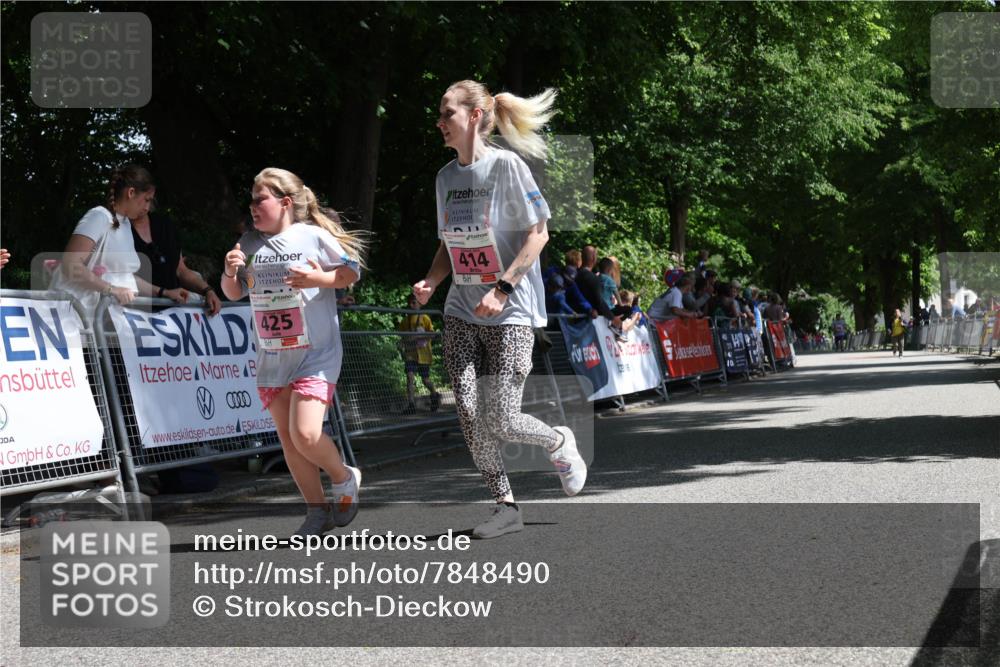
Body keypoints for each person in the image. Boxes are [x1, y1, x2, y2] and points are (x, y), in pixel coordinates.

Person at [413, 79, 587, 539]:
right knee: (469, 414)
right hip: (460, 310)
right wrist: (432, 280)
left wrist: (503, 288)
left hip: (510, 311)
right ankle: (505, 505)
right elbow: (448, 243)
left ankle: (557, 441)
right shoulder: (445, 178)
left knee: (502, 418)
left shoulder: (507, 166)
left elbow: (539, 234)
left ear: (474, 115)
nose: (439, 122)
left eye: (446, 113)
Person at [221, 167, 364, 537]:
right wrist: (228, 271)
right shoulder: (248, 244)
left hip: (316, 352)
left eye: (260, 200)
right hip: (273, 357)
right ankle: (317, 512)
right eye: (251, 200)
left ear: (285, 203)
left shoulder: (312, 236)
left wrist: (321, 279)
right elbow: (234, 294)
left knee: (306, 433)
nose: (253, 207)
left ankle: (344, 477)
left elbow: (352, 271)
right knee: (289, 442)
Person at [53, 164, 170, 320]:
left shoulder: (126, 224)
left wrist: (164, 292)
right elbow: (70, 264)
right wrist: (111, 289)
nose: (148, 207)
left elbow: (124, 277)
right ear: (131, 193)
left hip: (102, 322)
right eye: (146, 200)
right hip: (73, 318)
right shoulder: (99, 216)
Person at [131, 207, 222, 315]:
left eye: (148, 199)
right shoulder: (116, 230)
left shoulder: (165, 225)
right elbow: (124, 278)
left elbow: (181, 270)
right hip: (134, 315)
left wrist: (207, 290)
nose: (145, 205)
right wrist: (164, 293)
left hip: (172, 316)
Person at [398, 294, 442, 414]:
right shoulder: (404, 321)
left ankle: (434, 395)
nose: (411, 305)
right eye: (410, 303)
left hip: (423, 355)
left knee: (425, 379)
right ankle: (411, 404)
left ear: (420, 304)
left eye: (414, 303)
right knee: (409, 377)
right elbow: (402, 337)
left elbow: (432, 334)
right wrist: (402, 343)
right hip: (410, 354)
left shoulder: (425, 318)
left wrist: (419, 336)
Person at [575, 245, 622, 328]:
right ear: (593, 258)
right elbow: (599, 301)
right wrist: (612, 318)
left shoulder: (574, 274)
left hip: (573, 317)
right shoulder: (594, 278)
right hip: (588, 323)